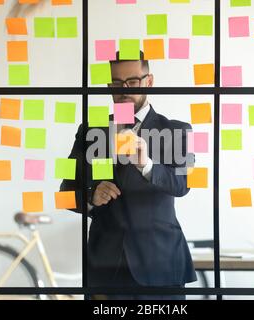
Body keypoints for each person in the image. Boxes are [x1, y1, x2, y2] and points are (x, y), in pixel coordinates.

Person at [60, 51, 196, 300]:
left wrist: (147, 165)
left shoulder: (177, 130)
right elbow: (64, 193)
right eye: (116, 83)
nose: (124, 89)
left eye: (132, 82)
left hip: (161, 266)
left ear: (149, 82)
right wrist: (91, 196)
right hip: (104, 269)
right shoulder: (89, 130)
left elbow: (183, 184)